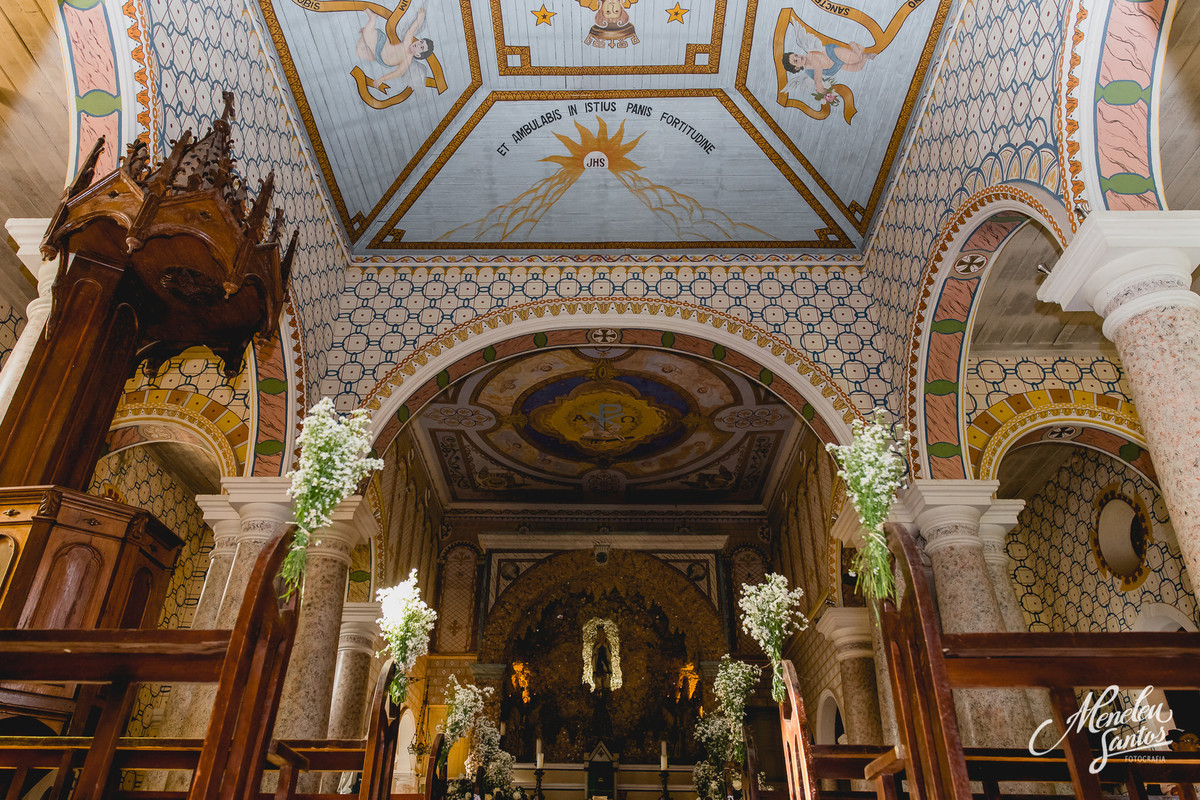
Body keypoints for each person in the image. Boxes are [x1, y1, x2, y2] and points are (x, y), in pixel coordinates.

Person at [355, 7, 435, 92]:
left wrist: (381, 79)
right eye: (421, 42)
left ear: (418, 55)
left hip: (380, 58)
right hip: (381, 44)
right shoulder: (407, 43)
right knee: (361, 46)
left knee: (359, 51)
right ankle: (372, 19)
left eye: (421, 47)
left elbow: (398, 73)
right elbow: (412, 30)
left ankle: (367, 32)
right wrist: (419, 18)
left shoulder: (407, 59)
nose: (418, 44)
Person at [781, 40, 873, 87]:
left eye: (796, 55)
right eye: (796, 60)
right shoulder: (809, 72)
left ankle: (854, 45)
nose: (799, 57)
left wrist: (818, 84)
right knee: (857, 67)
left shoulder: (810, 55)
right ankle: (865, 56)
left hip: (832, 54)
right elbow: (820, 78)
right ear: (797, 67)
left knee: (856, 58)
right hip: (834, 67)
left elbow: (818, 66)